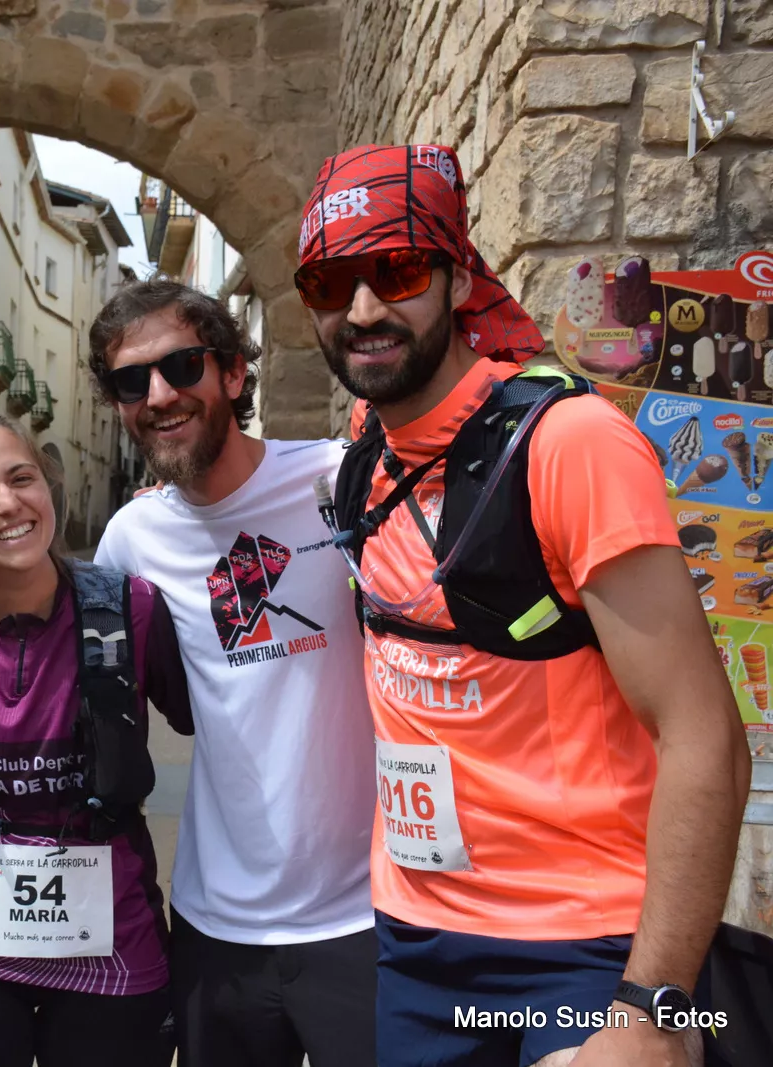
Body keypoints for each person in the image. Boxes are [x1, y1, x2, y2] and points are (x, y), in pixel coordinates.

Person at [296, 143, 751, 1067]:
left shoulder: (571, 444)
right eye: (330, 282)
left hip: (583, 955)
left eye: (399, 268)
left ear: (459, 277)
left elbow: (705, 736)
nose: (364, 308)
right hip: (415, 941)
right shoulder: (363, 452)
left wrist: (657, 1008)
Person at [0, 281, 381, 1067]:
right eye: (131, 381)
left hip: (364, 913)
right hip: (214, 925)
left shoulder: (340, 482)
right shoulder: (133, 540)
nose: (159, 395)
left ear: (232, 372)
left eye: (182, 365)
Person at [0, 415, 192, 1067]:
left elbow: (212, 717)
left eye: (20, 477)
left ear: (47, 484)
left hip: (113, 949)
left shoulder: (132, 609)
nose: (7, 502)